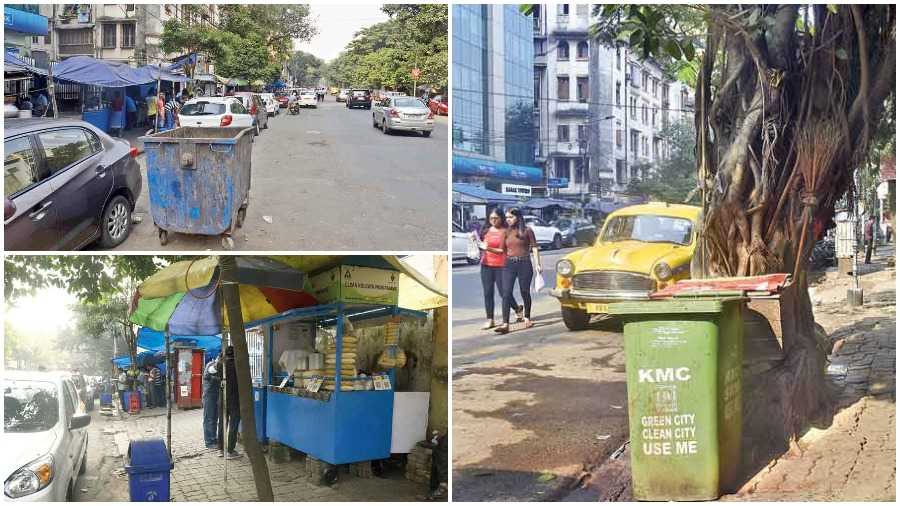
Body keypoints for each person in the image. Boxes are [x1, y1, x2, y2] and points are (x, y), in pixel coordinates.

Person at [494, 208, 542, 334]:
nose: (508, 219)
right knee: (506, 293)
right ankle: (505, 324)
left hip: (524, 263)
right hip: (509, 264)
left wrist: (538, 264)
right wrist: (485, 247)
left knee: (524, 291)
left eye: (510, 217)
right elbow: (500, 250)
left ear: (518, 217)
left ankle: (527, 317)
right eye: (507, 217)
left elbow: (535, 248)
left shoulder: (527, 231)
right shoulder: (505, 232)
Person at [478, 207, 523, 330]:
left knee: (504, 293)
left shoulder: (506, 231)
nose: (493, 220)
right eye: (491, 218)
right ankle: (490, 319)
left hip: (502, 265)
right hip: (486, 265)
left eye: (496, 218)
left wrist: (487, 248)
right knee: (488, 293)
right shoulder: (485, 230)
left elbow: (502, 250)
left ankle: (517, 309)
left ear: (501, 218)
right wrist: (475, 241)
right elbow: (481, 244)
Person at [223, 347, 241, 459]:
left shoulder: (221, 365)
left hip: (224, 398)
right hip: (235, 399)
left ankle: (222, 448)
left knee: (223, 423)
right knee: (234, 424)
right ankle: (230, 450)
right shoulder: (237, 366)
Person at [202, 354, 222, 449]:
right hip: (209, 396)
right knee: (209, 419)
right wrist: (220, 379)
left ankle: (213, 438)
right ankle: (209, 442)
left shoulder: (218, 366)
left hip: (215, 396)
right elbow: (208, 375)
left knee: (214, 418)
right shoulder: (211, 365)